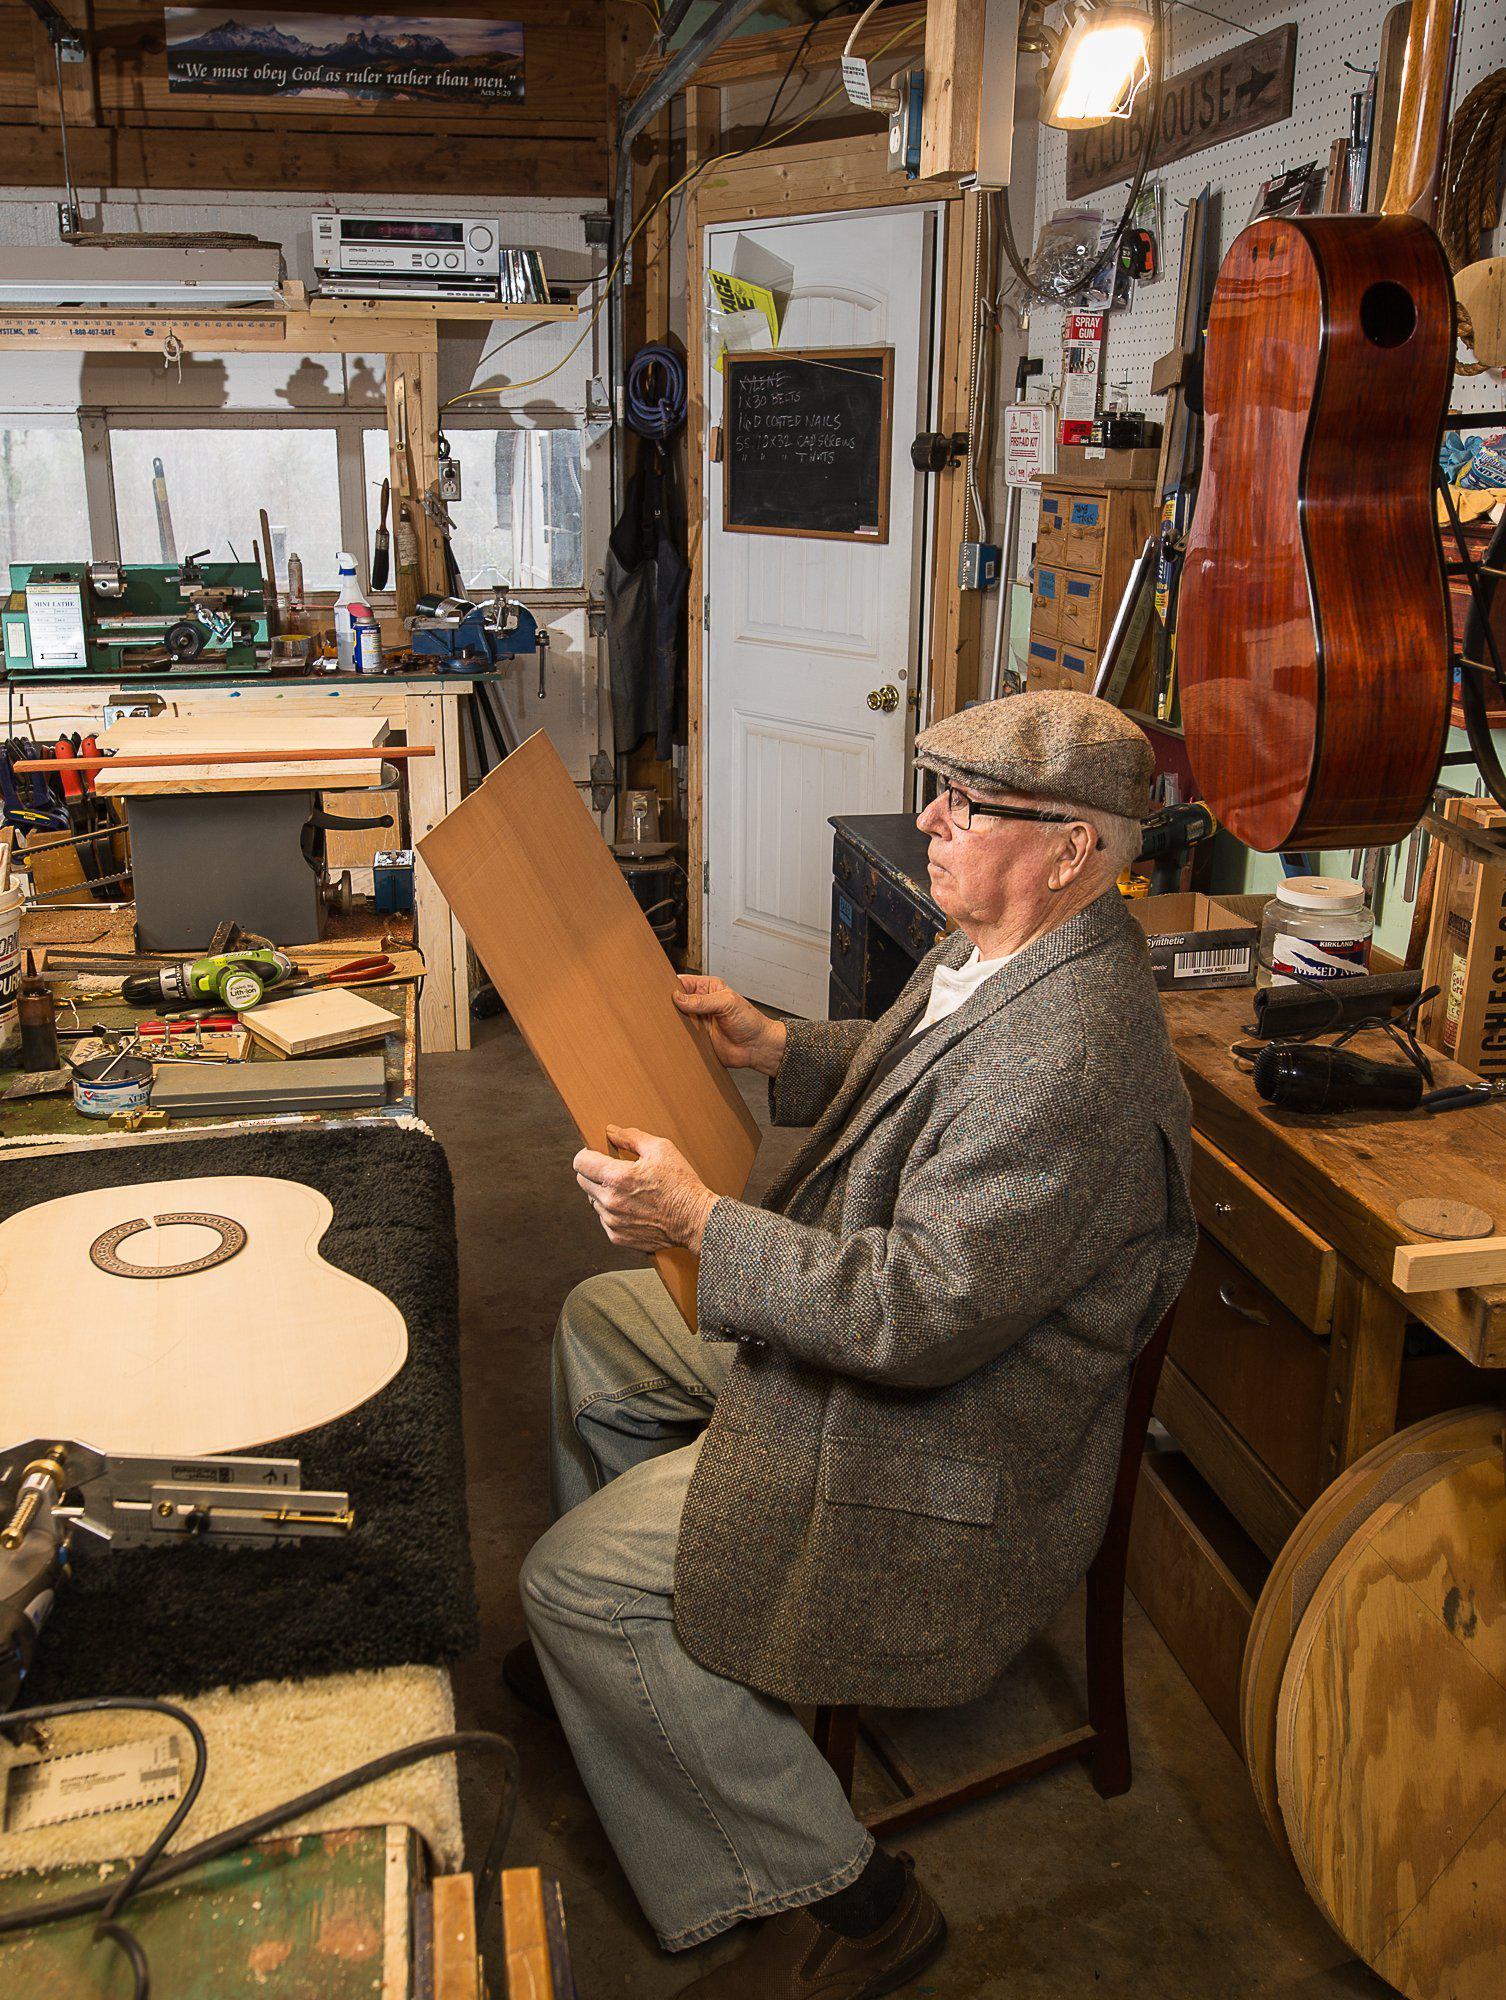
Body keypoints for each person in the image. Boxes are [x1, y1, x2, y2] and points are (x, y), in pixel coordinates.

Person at [513, 690, 1197, 1998]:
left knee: (571, 1584)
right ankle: (660, 1690)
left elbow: (913, 1318)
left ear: (1072, 849)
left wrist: (703, 1221)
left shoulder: (1074, 1058)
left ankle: (853, 1902)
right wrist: (774, 1044)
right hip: (911, 1354)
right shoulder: (994, 950)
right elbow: (916, 1066)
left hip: (951, 1439)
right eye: (935, 786)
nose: (931, 821)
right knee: (601, 1326)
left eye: (969, 805)